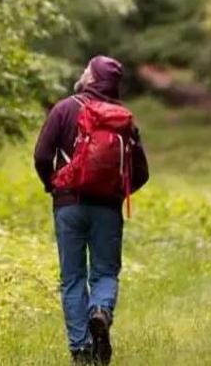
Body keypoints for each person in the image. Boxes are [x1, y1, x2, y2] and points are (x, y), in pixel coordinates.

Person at [34, 56, 149, 365]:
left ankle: (81, 350)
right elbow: (142, 173)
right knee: (105, 272)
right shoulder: (124, 119)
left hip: (69, 205)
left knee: (72, 278)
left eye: (87, 70)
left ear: (93, 78)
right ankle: (100, 310)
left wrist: (54, 185)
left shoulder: (64, 108)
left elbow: (42, 155)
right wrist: (114, 191)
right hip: (107, 211)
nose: (83, 73)